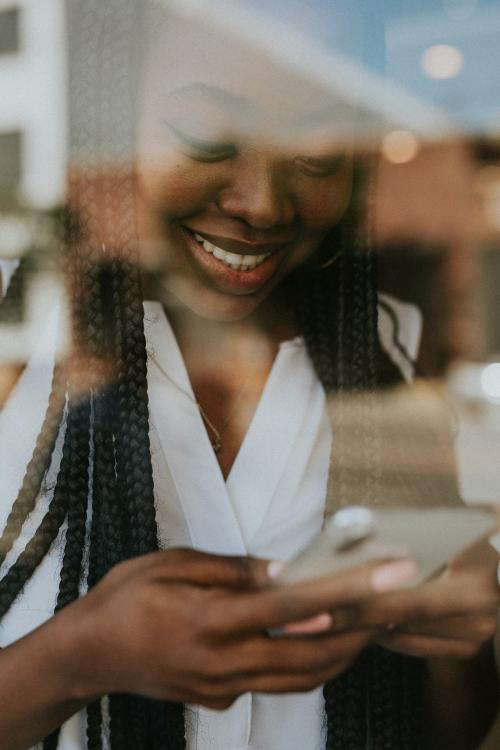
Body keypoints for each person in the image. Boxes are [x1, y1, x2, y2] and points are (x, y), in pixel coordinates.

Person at [0, 2, 498, 749]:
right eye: (205, 136)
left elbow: (436, 730)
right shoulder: (19, 335)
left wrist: (459, 647)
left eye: (319, 148)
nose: (263, 203)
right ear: (103, 108)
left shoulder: (388, 348)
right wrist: (74, 660)